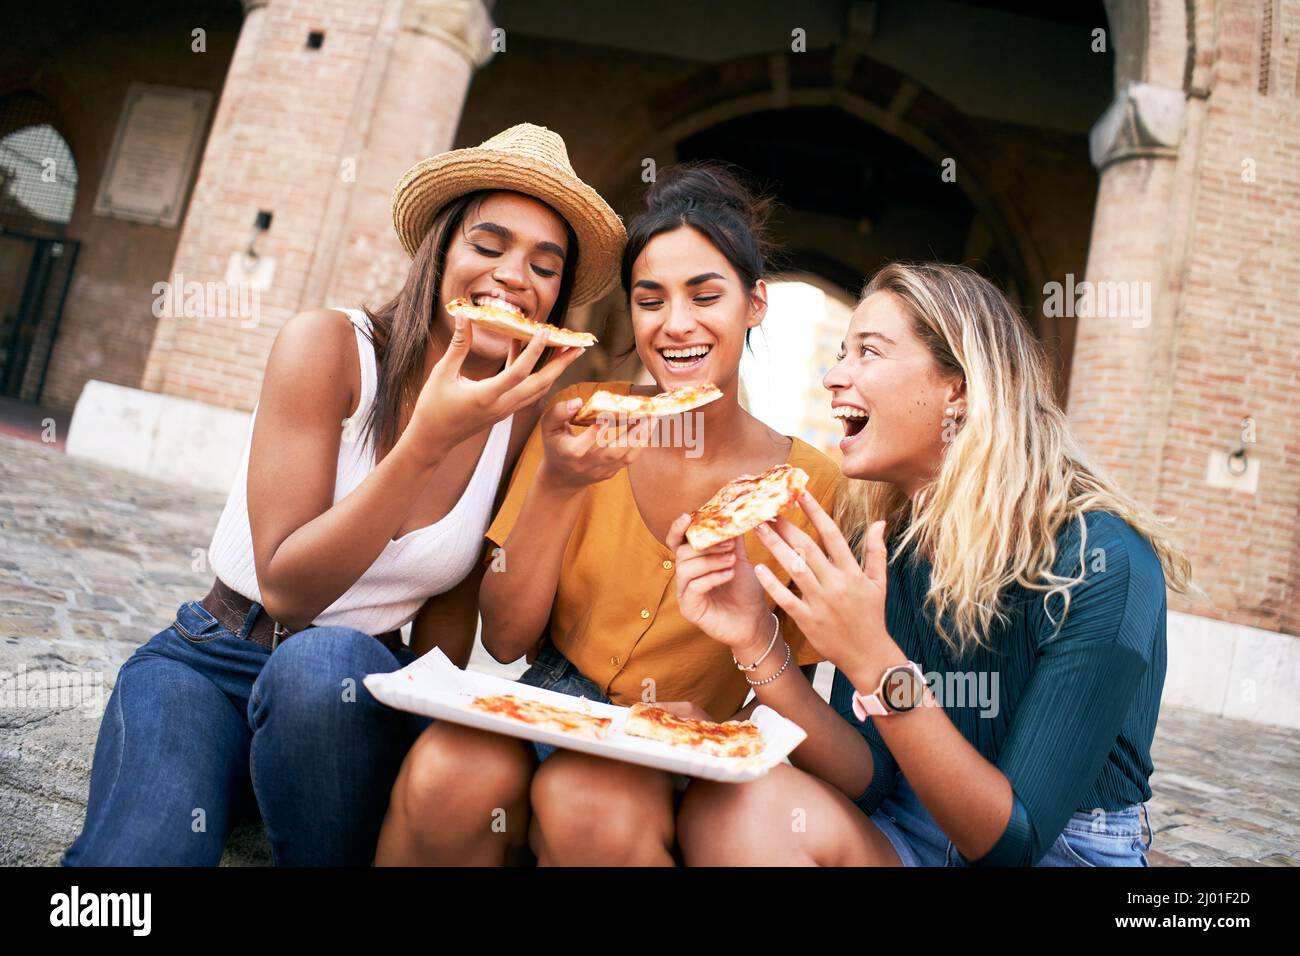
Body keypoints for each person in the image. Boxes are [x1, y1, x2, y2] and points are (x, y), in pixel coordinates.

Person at [61, 123, 625, 865]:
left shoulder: (516, 414)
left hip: (354, 696)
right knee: (135, 862)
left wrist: (433, 740)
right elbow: (290, 589)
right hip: (215, 660)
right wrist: (424, 445)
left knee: (324, 667)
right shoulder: (327, 346)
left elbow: (450, 609)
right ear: (439, 252)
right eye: (488, 247)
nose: (515, 277)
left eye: (544, 267)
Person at [375, 162, 843, 866]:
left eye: (706, 296)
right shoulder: (578, 422)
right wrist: (560, 484)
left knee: (591, 804)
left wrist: (720, 728)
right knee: (450, 772)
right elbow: (505, 640)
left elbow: (790, 700)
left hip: (686, 746)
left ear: (755, 304)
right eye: (650, 300)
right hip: (551, 699)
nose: (676, 324)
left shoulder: (810, 482)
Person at [672, 261, 1193, 867]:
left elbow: (1011, 843)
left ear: (961, 389)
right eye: (840, 353)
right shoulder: (888, 542)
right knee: (731, 805)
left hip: (1057, 850)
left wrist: (874, 660)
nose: (833, 375)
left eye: (867, 352)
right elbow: (869, 779)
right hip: (906, 825)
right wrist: (756, 638)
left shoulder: (1101, 561)